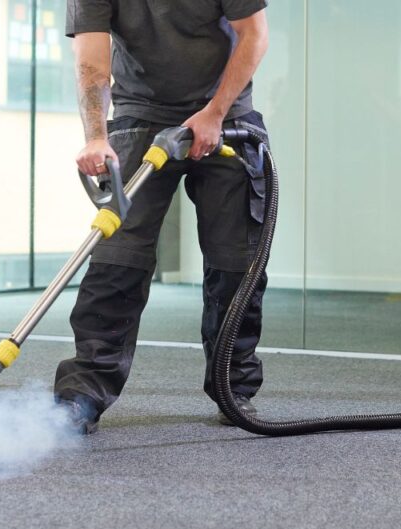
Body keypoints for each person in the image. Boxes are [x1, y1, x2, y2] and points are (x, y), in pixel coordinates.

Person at [54, 0, 271, 434]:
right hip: (141, 114)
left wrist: (214, 112)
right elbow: (92, 61)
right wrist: (97, 138)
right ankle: (83, 394)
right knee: (117, 258)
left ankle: (234, 388)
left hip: (226, 115)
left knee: (236, 263)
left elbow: (254, 35)